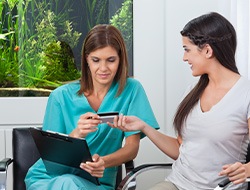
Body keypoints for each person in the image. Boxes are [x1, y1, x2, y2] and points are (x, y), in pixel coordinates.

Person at [112, 12, 250, 190]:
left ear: (207, 50)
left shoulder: (245, 94)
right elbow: (181, 150)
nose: (184, 58)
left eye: (187, 50)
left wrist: (247, 169)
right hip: (177, 184)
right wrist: (143, 126)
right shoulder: (193, 91)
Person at [25, 24, 159, 190]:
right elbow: (52, 157)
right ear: (86, 59)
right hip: (49, 178)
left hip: (97, 183)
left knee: (68, 183)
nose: (103, 68)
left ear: (120, 59)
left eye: (111, 60)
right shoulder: (60, 96)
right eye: (96, 60)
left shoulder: (131, 90)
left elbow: (132, 149)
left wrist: (104, 162)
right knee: (66, 182)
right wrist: (77, 134)